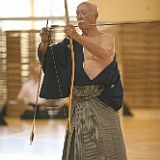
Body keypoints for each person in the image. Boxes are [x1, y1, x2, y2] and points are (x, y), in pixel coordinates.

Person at [38, 1, 127, 159]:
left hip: (102, 101)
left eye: (84, 12)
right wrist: (45, 42)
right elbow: (50, 58)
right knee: (80, 147)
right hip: (79, 104)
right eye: (78, 13)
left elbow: (105, 55)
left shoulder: (106, 38)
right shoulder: (70, 43)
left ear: (96, 16)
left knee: (104, 145)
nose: (80, 16)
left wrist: (77, 37)